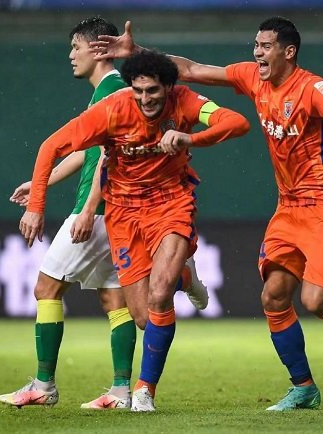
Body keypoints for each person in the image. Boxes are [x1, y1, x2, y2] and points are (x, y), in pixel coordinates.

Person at [92, 17, 323, 411]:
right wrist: (137, 53)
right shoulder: (253, 78)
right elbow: (190, 69)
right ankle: (304, 388)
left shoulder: (312, 88)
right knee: (273, 297)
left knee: (316, 302)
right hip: (288, 207)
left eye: (265, 46)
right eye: (256, 45)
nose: (257, 52)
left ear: (288, 51)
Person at [18, 49, 250, 412]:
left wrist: (189, 139)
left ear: (169, 87)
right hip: (124, 216)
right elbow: (51, 147)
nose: (145, 99)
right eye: (138, 91)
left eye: (153, 91)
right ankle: (184, 276)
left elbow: (236, 122)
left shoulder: (186, 100)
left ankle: (144, 390)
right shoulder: (112, 109)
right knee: (143, 317)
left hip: (172, 204)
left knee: (159, 294)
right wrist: (36, 206)